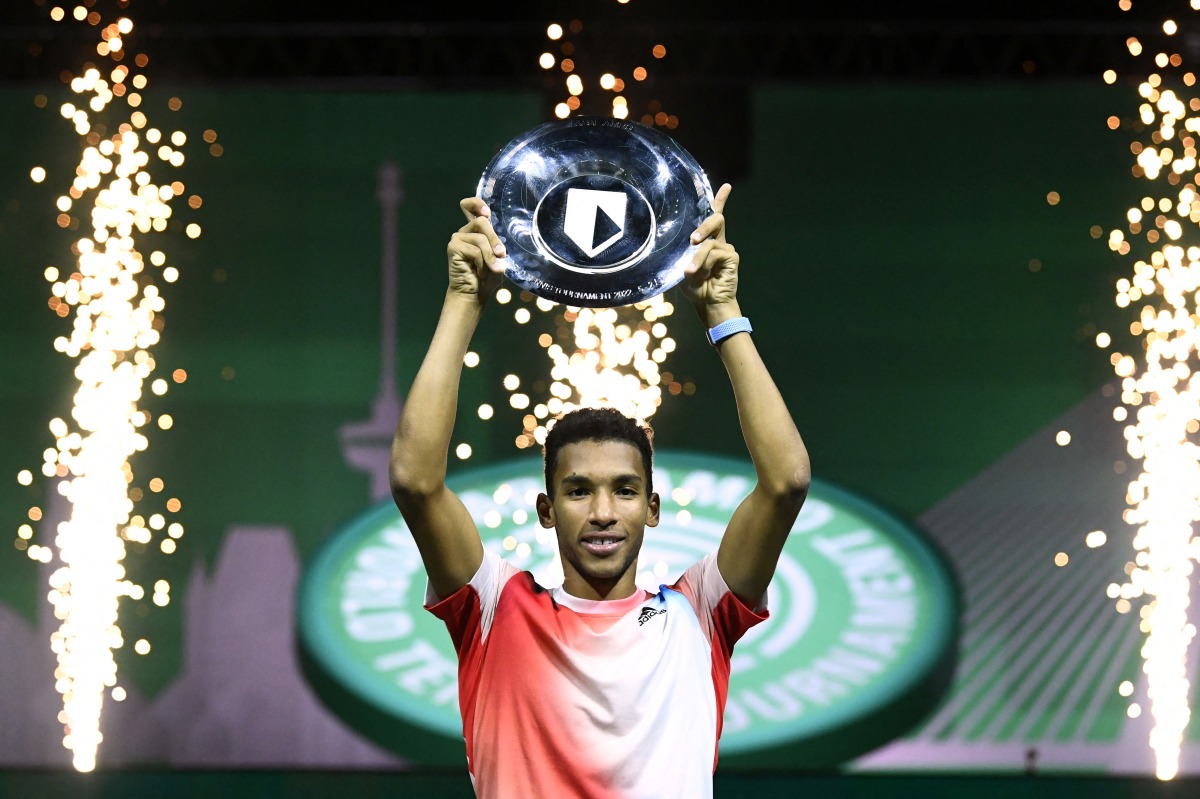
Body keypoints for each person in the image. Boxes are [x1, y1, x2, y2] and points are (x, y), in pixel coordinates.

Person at [389, 183, 810, 798]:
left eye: (626, 490)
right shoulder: (495, 609)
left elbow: (787, 482)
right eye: (579, 491)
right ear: (546, 509)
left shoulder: (697, 614)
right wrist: (462, 300)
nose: (604, 512)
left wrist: (722, 314)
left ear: (654, 507)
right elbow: (414, 482)